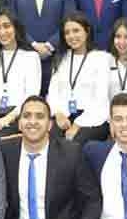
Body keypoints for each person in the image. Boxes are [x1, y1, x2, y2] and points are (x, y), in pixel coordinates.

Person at [0, 10, 42, 137]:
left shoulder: (31, 57)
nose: (2, 32)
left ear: (16, 28)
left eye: (7, 26)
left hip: (16, 115)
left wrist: (7, 119)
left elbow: (31, 96)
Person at [47, 14, 112, 144]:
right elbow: (52, 93)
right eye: (67, 33)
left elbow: (100, 99)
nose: (71, 36)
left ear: (87, 31)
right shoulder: (61, 59)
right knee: (50, 140)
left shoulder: (102, 58)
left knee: (73, 143)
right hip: (63, 115)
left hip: (92, 118)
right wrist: (58, 114)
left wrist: (77, 125)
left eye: (76, 31)